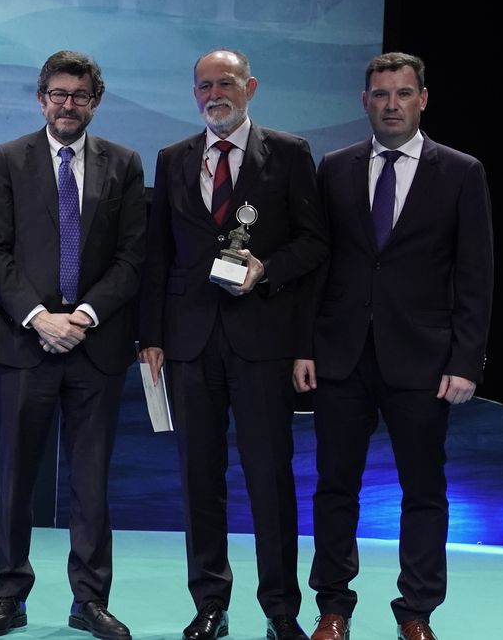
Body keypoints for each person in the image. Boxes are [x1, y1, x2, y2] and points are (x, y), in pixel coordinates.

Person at [292, 52, 492, 640]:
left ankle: (417, 612)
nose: (392, 105)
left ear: (422, 99)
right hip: (341, 355)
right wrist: (304, 346)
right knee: (335, 487)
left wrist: (465, 360)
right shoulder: (335, 167)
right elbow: (317, 265)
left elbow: (476, 275)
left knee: (423, 490)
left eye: (404, 94)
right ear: (365, 102)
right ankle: (333, 607)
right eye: (381, 95)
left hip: (424, 359)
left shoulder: (461, 172)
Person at [138, 48, 327, 640]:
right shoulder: (173, 158)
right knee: (199, 478)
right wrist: (151, 337)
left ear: (251, 87)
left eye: (226, 83)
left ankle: (280, 610)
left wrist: (265, 270)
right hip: (189, 343)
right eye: (204, 86)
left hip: (263, 340)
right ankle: (210, 605)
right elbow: (157, 254)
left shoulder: (289, 153)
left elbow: (315, 243)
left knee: (270, 478)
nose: (214, 94)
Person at [0, 50, 146, 640]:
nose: (67, 105)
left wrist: (85, 316)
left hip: (95, 347)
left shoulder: (125, 163)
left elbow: (132, 256)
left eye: (79, 96)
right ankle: (9, 596)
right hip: (24, 344)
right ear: (41, 98)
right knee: (15, 479)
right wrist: (40, 317)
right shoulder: (8, 158)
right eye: (58, 94)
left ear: (96, 102)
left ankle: (89, 600)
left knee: (91, 483)